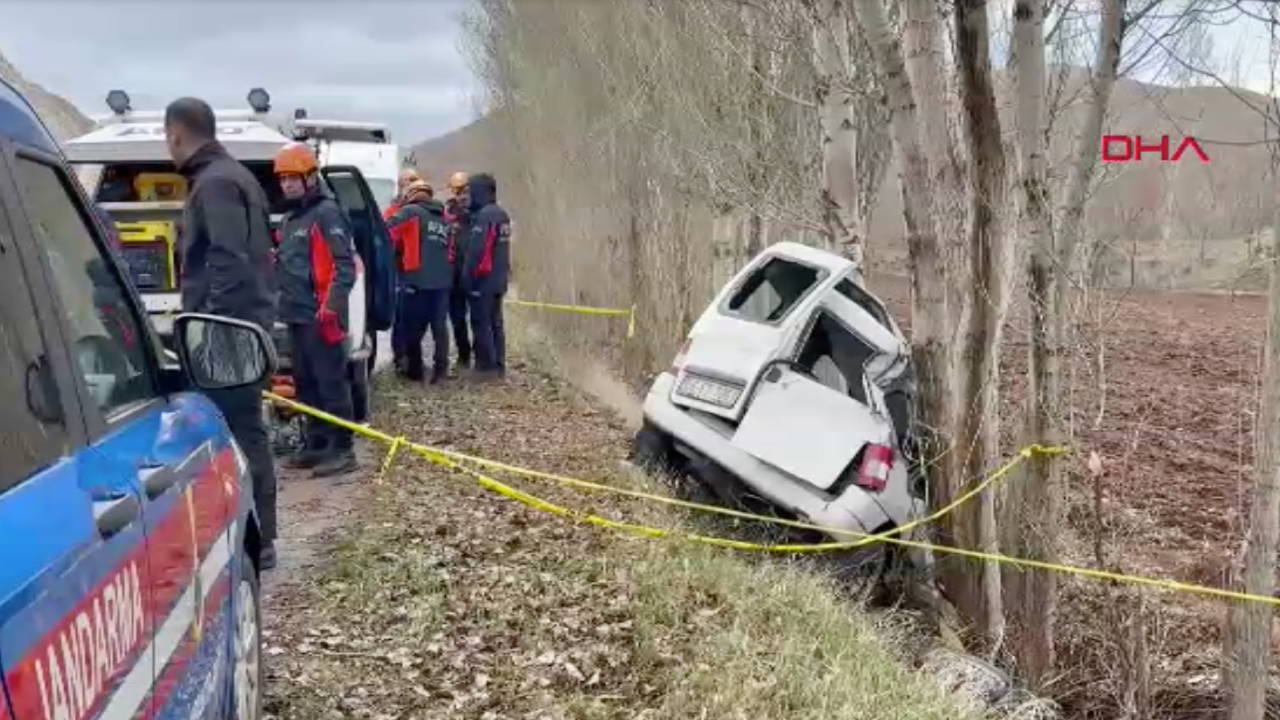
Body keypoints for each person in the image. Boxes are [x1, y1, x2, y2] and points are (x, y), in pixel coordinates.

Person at [164, 97, 279, 569]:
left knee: (241, 433)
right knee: (243, 431)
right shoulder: (233, 177)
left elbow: (228, 261)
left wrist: (209, 333)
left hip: (226, 333)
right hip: (239, 325)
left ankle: (258, 537)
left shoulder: (214, 184)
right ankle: (251, 532)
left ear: (175, 133)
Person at [272, 141, 360, 477]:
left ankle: (342, 449)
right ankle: (317, 444)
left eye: (294, 178)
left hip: (321, 316)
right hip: (295, 315)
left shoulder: (327, 212)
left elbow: (344, 266)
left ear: (310, 177)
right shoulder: (292, 218)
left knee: (331, 384)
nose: (288, 184)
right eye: (283, 179)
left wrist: (331, 307)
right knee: (306, 384)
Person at [386, 179, 453, 383]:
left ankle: (415, 371)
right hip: (443, 281)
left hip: (416, 280)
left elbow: (386, 231)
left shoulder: (410, 212)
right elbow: (451, 250)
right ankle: (441, 370)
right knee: (439, 328)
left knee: (412, 327)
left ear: (411, 194)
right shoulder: (444, 217)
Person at [459, 173, 511, 380]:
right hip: (499, 279)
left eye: (471, 191)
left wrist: (467, 277)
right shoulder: (501, 214)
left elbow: (477, 250)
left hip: (483, 279)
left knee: (482, 324)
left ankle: (486, 368)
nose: (469, 196)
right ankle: (498, 365)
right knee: (496, 323)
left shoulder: (485, 216)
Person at [389, 167, 427, 376]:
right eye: (407, 181)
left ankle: (414, 358)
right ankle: (400, 357)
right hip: (399, 268)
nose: (410, 184)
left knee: (419, 318)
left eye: (413, 180)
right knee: (401, 316)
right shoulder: (395, 209)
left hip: (421, 271)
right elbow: (387, 233)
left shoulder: (424, 208)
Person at [443, 171, 472, 369]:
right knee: (472, 318)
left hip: (457, 270)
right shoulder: (477, 208)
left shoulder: (454, 210)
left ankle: (465, 356)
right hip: (467, 271)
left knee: (459, 317)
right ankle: (468, 356)